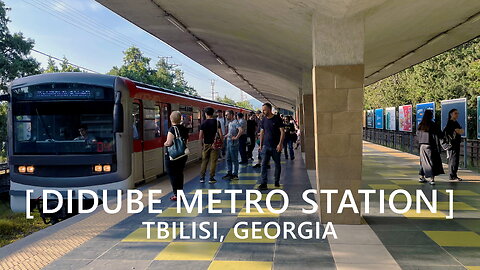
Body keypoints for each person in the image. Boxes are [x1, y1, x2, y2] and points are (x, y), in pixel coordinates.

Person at [258, 103, 285, 190]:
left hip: (275, 146)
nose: (263, 111)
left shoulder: (277, 119)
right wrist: (261, 145)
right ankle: (263, 183)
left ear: (269, 109)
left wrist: (280, 144)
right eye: (262, 110)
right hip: (266, 146)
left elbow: (282, 132)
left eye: (264, 109)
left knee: (277, 164)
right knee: (263, 165)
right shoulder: (263, 120)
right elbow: (262, 132)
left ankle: (276, 181)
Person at [164, 111, 189, 201]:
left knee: (172, 175)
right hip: (182, 155)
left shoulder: (172, 129)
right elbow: (185, 141)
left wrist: (165, 143)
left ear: (171, 119)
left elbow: (169, 142)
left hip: (173, 156)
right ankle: (180, 193)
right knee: (179, 174)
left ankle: (176, 194)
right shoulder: (184, 128)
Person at [417, 110, 444, 185]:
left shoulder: (421, 125)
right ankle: (432, 179)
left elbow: (417, 135)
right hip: (431, 145)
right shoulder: (433, 124)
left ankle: (422, 177)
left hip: (422, 145)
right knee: (431, 161)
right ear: (431, 116)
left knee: (423, 161)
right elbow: (440, 134)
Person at [199, 107, 223, 184]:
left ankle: (202, 178)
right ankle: (211, 178)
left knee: (204, 160)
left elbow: (200, 136)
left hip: (206, 144)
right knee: (213, 161)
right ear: (212, 113)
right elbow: (220, 134)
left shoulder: (203, 123)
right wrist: (221, 142)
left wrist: (202, 145)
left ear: (206, 114)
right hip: (215, 144)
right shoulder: (217, 122)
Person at [443, 108, 464, 181]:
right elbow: (458, 131)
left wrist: (459, 131)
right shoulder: (451, 123)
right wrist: (458, 130)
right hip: (452, 144)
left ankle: (454, 174)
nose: (457, 115)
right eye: (455, 113)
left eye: (457, 113)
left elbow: (461, 131)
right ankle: (452, 176)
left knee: (456, 159)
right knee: (453, 160)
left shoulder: (456, 122)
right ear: (451, 114)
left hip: (456, 143)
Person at [222, 110, 243, 180]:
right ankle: (229, 173)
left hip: (234, 143)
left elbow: (241, 130)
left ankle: (235, 174)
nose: (225, 116)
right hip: (229, 142)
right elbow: (230, 133)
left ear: (231, 115)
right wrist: (225, 136)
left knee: (234, 159)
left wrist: (236, 137)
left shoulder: (235, 122)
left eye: (226, 115)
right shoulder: (230, 123)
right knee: (228, 159)